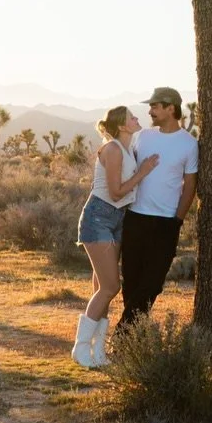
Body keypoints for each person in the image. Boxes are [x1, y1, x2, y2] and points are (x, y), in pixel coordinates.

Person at [72, 105, 157, 368]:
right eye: (132, 117)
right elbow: (116, 192)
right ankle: (81, 348)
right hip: (99, 217)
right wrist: (143, 173)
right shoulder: (112, 149)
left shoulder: (128, 148)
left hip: (117, 219)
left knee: (103, 288)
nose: (137, 119)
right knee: (111, 287)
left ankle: (98, 353)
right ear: (121, 125)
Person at [118, 86, 198, 328]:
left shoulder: (188, 144)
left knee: (153, 284)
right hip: (135, 218)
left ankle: (124, 333)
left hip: (166, 222)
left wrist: (177, 220)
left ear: (170, 108)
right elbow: (126, 168)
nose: (150, 111)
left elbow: (190, 186)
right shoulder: (143, 137)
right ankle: (133, 336)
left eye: (154, 106)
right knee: (131, 283)